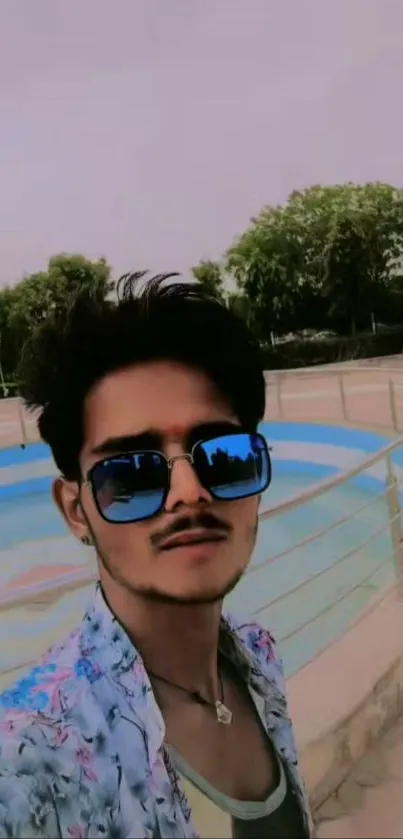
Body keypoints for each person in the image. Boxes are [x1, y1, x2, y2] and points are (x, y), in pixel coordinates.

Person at [0, 272, 312, 838]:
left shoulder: (260, 659)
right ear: (76, 511)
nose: (190, 491)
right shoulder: (26, 755)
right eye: (131, 472)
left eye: (223, 456)